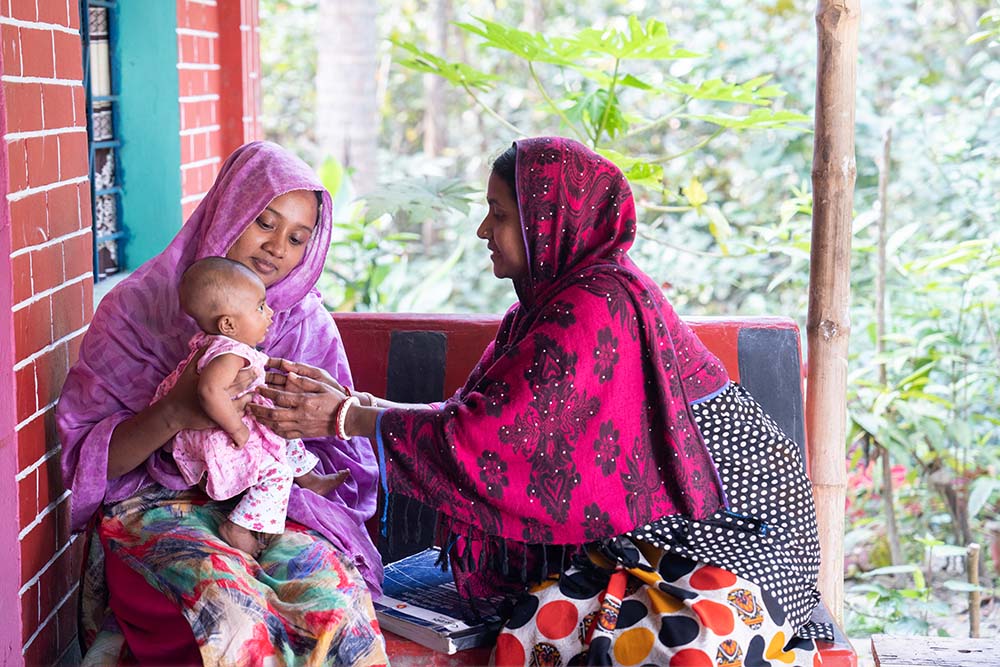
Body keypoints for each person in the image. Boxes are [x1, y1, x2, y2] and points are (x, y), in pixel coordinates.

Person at [254, 137, 830, 665]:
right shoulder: (550, 305)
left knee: (570, 633)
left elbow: (488, 442)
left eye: (500, 215)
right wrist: (356, 405)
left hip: (736, 560)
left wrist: (346, 417)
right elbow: (477, 419)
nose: (483, 230)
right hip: (654, 548)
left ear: (548, 224)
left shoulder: (594, 307)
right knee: (536, 617)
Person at [57, 141, 388, 665]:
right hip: (157, 507)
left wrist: (285, 437)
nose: (278, 247)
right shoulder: (136, 310)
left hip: (278, 510)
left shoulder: (305, 326)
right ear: (229, 208)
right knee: (232, 614)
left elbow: (341, 460)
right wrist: (173, 413)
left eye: (298, 237)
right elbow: (90, 463)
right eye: (264, 221)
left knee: (333, 605)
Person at [157, 256, 349, 556]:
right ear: (229, 324)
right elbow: (210, 390)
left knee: (283, 430)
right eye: (260, 307)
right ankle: (240, 527)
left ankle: (310, 479)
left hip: (230, 425)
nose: (270, 312)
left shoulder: (221, 346)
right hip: (220, 436)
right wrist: (236, 428)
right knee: (276, 474)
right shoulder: (229, 353)